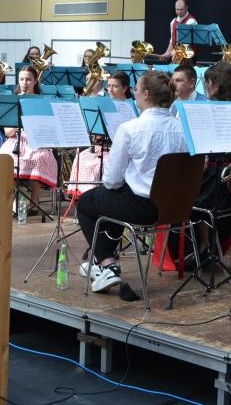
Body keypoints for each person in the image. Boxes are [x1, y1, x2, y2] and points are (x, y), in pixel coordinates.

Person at [77, 71, 188, 292]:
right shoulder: (183, 129)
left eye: (136, 89)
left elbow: (112, 180)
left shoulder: (130, 128)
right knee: (111, 200)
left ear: (146, 94)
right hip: (176, 208)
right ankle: (101, 262)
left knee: (87, 203)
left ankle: (107, 264)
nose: (134, 93)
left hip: (143, 209)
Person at [168, 63, 231, 265]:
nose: (205, 88)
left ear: (214, 85)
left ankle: (200, 247)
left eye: (206, 83)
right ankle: (208, 246)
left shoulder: (209, 111)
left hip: (216, 186)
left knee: (180, 192)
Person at [0, 66, 58, 211]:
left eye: (28, 79)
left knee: (39, 157)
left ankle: (34, 202)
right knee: (7, 157)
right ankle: (13, 202)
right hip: (16, 139)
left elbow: (47, 128)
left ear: (35, 81)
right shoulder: (12, 100)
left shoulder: (42, 101)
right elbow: (8, 132)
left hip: (36, 140)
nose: (25, 83)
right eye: (22, 79)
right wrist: (18, 122)